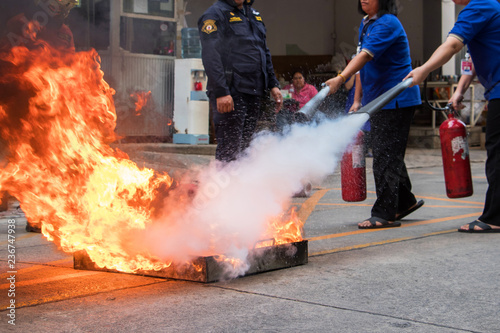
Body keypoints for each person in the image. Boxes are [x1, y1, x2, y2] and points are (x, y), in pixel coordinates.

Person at [325, 0, 424, 229]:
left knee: (385, 155)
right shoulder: (366, 23)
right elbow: (362, 65)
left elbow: (365, 57)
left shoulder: (388, 23)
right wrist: (358, 100)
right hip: (378, 101)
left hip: (396, 100)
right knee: (388, 152)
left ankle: (384, 213)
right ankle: (405, 202)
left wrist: (340, 79)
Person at [405, 0, 500, 233]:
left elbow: (453, 45)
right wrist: (459, 91)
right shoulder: (489, 6)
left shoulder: (479, 6)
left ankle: (495, 217)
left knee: (497, 154)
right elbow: (472, 61)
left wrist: (424, 69)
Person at [198, 0, 283, 162]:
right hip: (231, 93)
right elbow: (211, 56)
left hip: (254, 92)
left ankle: (241, 186)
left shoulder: (253, 14)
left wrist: (273, 84)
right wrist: (222, 92)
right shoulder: (214, 15)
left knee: (246, 148)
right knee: (230, 149)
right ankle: (225, 187)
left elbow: (263, 50)